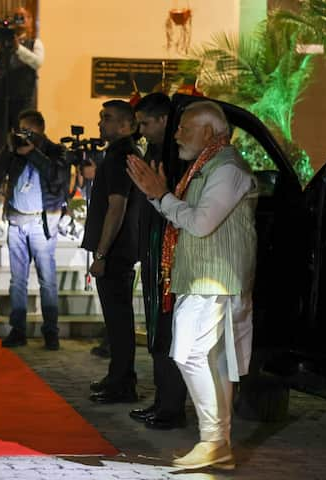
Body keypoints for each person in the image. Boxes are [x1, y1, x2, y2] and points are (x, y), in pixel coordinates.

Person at [127, 100, 257, 470]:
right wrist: (159, 196)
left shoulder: (227, 167)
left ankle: (215, 441)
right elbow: (185, 216)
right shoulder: (206, 166)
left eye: (184, 127)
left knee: (189, 353)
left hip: (213, 281)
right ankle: (217, 444)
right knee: (211, 362)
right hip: (201, 279)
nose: (178, 134)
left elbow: (200, 223)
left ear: (207, 131)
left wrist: (161, 196)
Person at [127, 93, 188, 430]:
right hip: (153, 251)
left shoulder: (175, 155)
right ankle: (163, 401)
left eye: (147, 124)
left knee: (167, 331)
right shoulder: (153, 150)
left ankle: (171, 406)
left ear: (164, 120)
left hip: (169, 253)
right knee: (156, 329)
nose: (143, 131)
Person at [0, 110, 68, 350]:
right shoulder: (15, 150)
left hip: (41, 223)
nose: (22, 135)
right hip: (16, 220)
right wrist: (9, 148)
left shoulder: (55, 151)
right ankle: (18, 330)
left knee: (47, 280)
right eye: (20, 130)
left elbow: (57, 177)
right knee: (18, 280)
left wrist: (33, 153)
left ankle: (51, 332)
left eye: (27, 131)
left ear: (38, 131)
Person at [83, 99, 141, 403]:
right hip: (117, 250)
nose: (100, 123)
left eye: (107, 118)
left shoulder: (122, 156)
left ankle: (122, 382)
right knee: (116, 319)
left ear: (125, 125)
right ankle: (117, 376)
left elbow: (117, 207)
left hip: (117, 252)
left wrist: (102, 254)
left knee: (119, 320)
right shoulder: (118, 154)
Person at [0, 6, 44, 193]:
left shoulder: (35, 43)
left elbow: (37, 62)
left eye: (22, 17)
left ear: (30, 20)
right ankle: (0, 180)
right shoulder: (0, 42)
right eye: (16, 18)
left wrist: (18, 48)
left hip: (23, 102)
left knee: (22, 140)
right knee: (0, 142)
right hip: (0, 100)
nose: (19, 21)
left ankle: (20, 180)